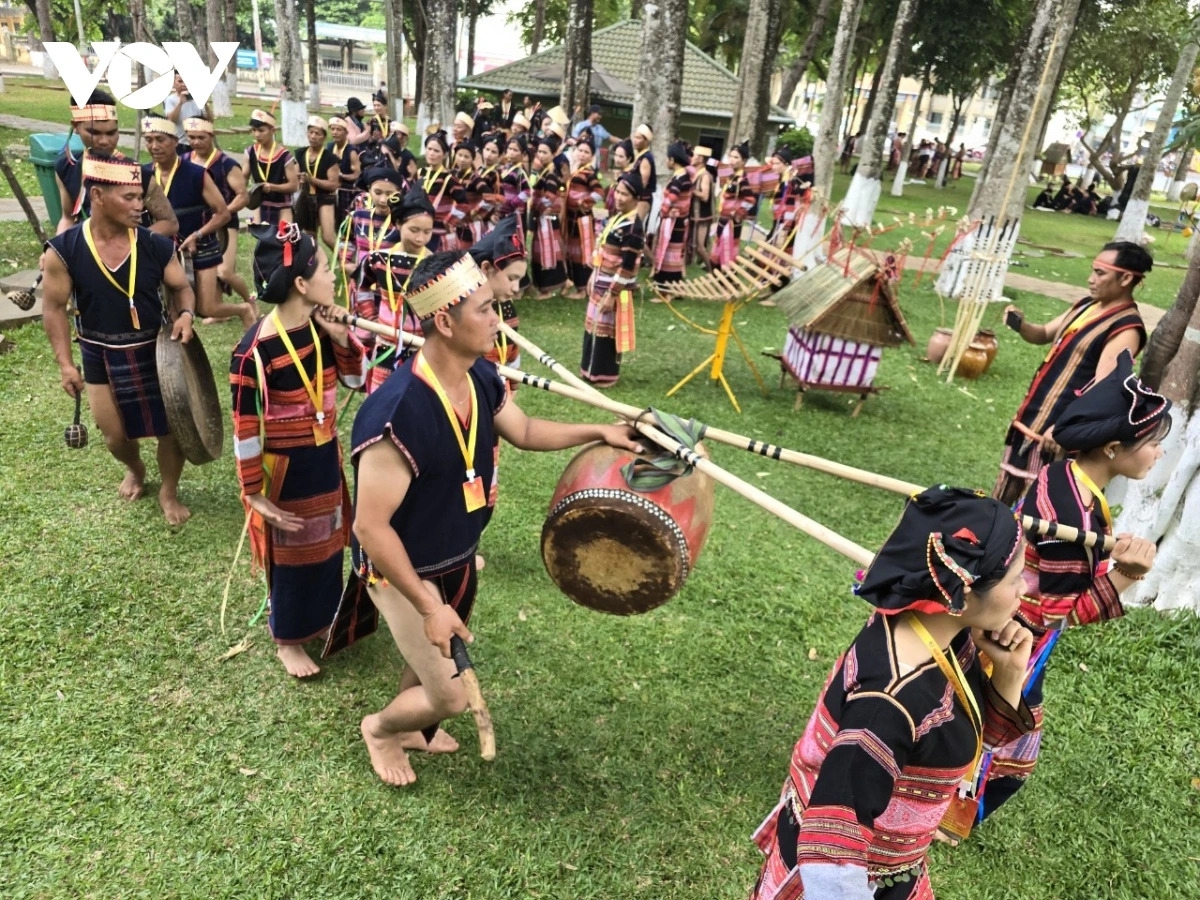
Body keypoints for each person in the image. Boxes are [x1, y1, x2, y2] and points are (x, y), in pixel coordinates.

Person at [348, 249, 643, 786]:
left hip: (454, 555)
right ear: (444, 321)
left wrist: (599, 430)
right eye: (484, 310)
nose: (498, 319)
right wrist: (426, 605)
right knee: (451, 694)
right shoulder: (397, 413)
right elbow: (370, 526)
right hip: (400, 569)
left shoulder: (480, 375)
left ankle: (414, 722)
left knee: (429, 658)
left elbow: (525, 431)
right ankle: (382, 728)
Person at [749, 485, 1036, 900]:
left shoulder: (940, 631)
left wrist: (1009, 672)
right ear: (963, 591)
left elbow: (979, 740)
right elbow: (830, 849)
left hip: (895, 867)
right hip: (860, 881)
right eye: (1015, 578)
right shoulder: (888, 704)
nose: (1025, 588)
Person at [977, 351, 1168, 824]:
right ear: (1110, 447)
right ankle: (944, 813)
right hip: (1012, 637)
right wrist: (1129, 573)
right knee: (1004, 746)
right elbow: (1062, 611)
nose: (1159, 453)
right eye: (1150, 442)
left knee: (979, 723)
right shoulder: (1068, 514)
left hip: (1005, 621)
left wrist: (1106, 557)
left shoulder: (1065, 475)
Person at [230, 223, 366, 678]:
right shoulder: (254, 352)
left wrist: (344, 338)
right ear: (303, 284)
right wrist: (254, 493)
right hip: (285, 471)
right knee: (290, 554)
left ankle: (323, 617)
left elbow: (354, 381)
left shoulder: (320, 329)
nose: (335, 276)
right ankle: (287, 637)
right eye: (326, 268)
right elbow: (245, 430)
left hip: (323, 458)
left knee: (329, 543)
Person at [41, 156, 197, 524]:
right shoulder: (64, 250)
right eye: (128, 198)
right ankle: (136, 468)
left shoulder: (155, 245)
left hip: (155, 350)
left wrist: (187, 314)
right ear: (97, 195)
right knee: (114, 437)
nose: (140, 206)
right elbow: (53, 308)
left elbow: (181, 288)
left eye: (140, 196)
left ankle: (168, 491)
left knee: (171, 430)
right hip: (99, 351)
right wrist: (65, 363)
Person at [993, 241, 1149, 506]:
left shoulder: (1126, 328)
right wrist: (1021, 324)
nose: (1091, 279)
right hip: (1031, 422)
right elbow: (1043, 333)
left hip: (1056, 435)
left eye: (1101, 273)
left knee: (1035, 507)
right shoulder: (1086, 305)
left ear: (1125, 278)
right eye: (1093, 271)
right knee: (1003, 499)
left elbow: (1103, 389)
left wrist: (1061, 427)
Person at [141, 117, 252, 328]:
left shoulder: (196, 174)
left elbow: (222, 214)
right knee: (173, 311)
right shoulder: (144, 174)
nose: (154, 146)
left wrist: (197, 235)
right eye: (149, 140)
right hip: (164, 249)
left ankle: (244, 309)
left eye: (160, 139)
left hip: (200, 246)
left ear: (175, 141)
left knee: (206, 308)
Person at [55, 91, 177, 237]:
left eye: (111, 133)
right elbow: (68, 218)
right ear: (76, 126)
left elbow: (170, 223)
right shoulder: (66, 167)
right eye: (94, 132)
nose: (105, 141)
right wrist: (55, 248)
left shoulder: (137, 174)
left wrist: (129, 245)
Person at [358, 184, 437, 392]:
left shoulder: (435, 265)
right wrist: (371, 318)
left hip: (422, 349)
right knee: (378, 401)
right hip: (385, 345)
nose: (420, 238)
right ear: (398, 224)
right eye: (414, 230)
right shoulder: (378, 259)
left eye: (427, 232)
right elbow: (362, 287)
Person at [581, 171, 644, 386]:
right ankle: (589, 370)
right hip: (600, 278)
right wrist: (593, 274)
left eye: (625, 194)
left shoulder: (634, 227)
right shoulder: (617, 218)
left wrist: (613, 293)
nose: (619, 197)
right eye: (617, 191)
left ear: (636, 199)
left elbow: (628, 266)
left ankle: (604, 375)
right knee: (593, 326)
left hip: (612, 285)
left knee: (606, 332)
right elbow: (601, 249)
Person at [183, 117, 253, 309]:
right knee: (208, 269)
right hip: (197, 223)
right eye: (191, 137)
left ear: (211, 136)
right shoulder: (184, 161)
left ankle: (249, 302)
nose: (196, 142)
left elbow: (243, 196)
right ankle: (216, 306)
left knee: (225, 272)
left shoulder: (226, 164)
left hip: (225, 222)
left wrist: (223, 213)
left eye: (201, 137)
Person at [470, 214, 527, 370]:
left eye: (519, 280)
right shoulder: (462, 311)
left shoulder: (507, 306)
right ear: (486, 268)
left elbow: (512, 355)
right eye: (511, 278)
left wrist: (511, 390)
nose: (516, 288)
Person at [563, 131, 605, 299]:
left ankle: (583, 288)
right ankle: (577, 285)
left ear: (592, 156)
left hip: (582, 220)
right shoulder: (574, 171)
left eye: (586, 152)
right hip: (571, 219)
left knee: (583, 253)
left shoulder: (589, 174)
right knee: (573, 252)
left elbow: (599, 192)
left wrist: (584, 203)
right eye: (580, 150)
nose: (582, 154)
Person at [244, 109, 299, 226]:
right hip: (260, 205)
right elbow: (243, 177)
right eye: (254, 130)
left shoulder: (284, 155)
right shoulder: (250, 152)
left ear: (272, 130)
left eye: (261, 130)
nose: (257, 134)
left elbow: (294, 186)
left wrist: (273, 187)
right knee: (261, 241)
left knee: (283, 241)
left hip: (282, 207)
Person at [529, 135, 568, 297]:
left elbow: (550, 196)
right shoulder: (543, 172)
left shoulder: (551, 175)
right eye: (539, 152)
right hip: (542, 219)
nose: (541, 155)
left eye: (545, 152)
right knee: (543, 252)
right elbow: (533, 186)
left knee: (548, 254)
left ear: (553, 155)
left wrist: (539, 206)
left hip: (548, 220)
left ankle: (547, 289)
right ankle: (565, 282)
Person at [295, 115, 340, 252]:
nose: (313, 136)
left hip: (325, 198)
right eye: (311, 132)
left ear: (324, 137)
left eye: (318, 134)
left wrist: (311, 180)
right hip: (306, 197)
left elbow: (333, 185)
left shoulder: (330, 158)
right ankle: (312, 266)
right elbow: (296, 176)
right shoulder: (300, 153)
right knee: (309, 236)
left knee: (328, 237)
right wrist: (299, 179)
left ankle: (347, 262)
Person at [652, 141, 693, 285]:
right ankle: (671, 286)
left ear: (672, 160)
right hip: (680, 220)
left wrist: (664, 211)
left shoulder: (679, 179)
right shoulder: (685, 176)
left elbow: (672, 197)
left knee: (670, 253)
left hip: (674, 222)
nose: (666, 161)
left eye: (667, 158)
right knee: (674, 253)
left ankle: (668, 287)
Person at [420, 130, 465, 252]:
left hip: (439, 233)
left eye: (436, 151)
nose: (431, 153)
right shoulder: (421, 173)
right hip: (421, 229)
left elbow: (464, 203)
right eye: (429, 149)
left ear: (445, 155)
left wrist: (450, 220)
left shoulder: (449, 179)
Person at [715, 141, 755, 269]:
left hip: (732, 223)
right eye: (731, 156)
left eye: (736, 157)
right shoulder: (732, 176)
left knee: (728, 252)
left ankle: (729, 278)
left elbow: (750, 200)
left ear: (744, 161)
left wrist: (738, 214)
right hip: (723, 219)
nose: (732, 160)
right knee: (719, 249)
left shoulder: (743, 180)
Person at [328, 116, 363, 231]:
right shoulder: (330, 147)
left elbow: (357, 174)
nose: (335, 132)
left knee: (346, 226)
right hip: (331, 191)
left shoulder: (351, 151)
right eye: (332, 129)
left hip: (347, 193)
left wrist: (341, 176)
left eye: (339, 129)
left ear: (346, 132)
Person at [689, 146, 715, 270]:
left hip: (702, 216)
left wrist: (691, 190)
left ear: (700, 159)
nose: (691, 158)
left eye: (693, 156)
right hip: (695, 215)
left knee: (700, 246)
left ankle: (711, 270)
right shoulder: (696, 174)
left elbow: (704, 196)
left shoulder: (704, 175)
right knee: (693, 245)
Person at [162, 71, 203, 147]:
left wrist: (206, 104)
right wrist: (180, 103)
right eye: (180, 81)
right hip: (180, 143)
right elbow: (171, 120)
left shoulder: (197, 99)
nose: (184, 84)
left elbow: (209, 120)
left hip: (197, 143)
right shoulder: (170, 100)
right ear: (173, 83)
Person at [629, 124, 657, 223]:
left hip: (643, 198)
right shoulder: (640, 157)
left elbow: (643, 183)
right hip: (638, 198)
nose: (635, 140)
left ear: (646, 141)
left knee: (637, 226)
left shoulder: (646, 159)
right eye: (635, 137)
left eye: (638, 138)